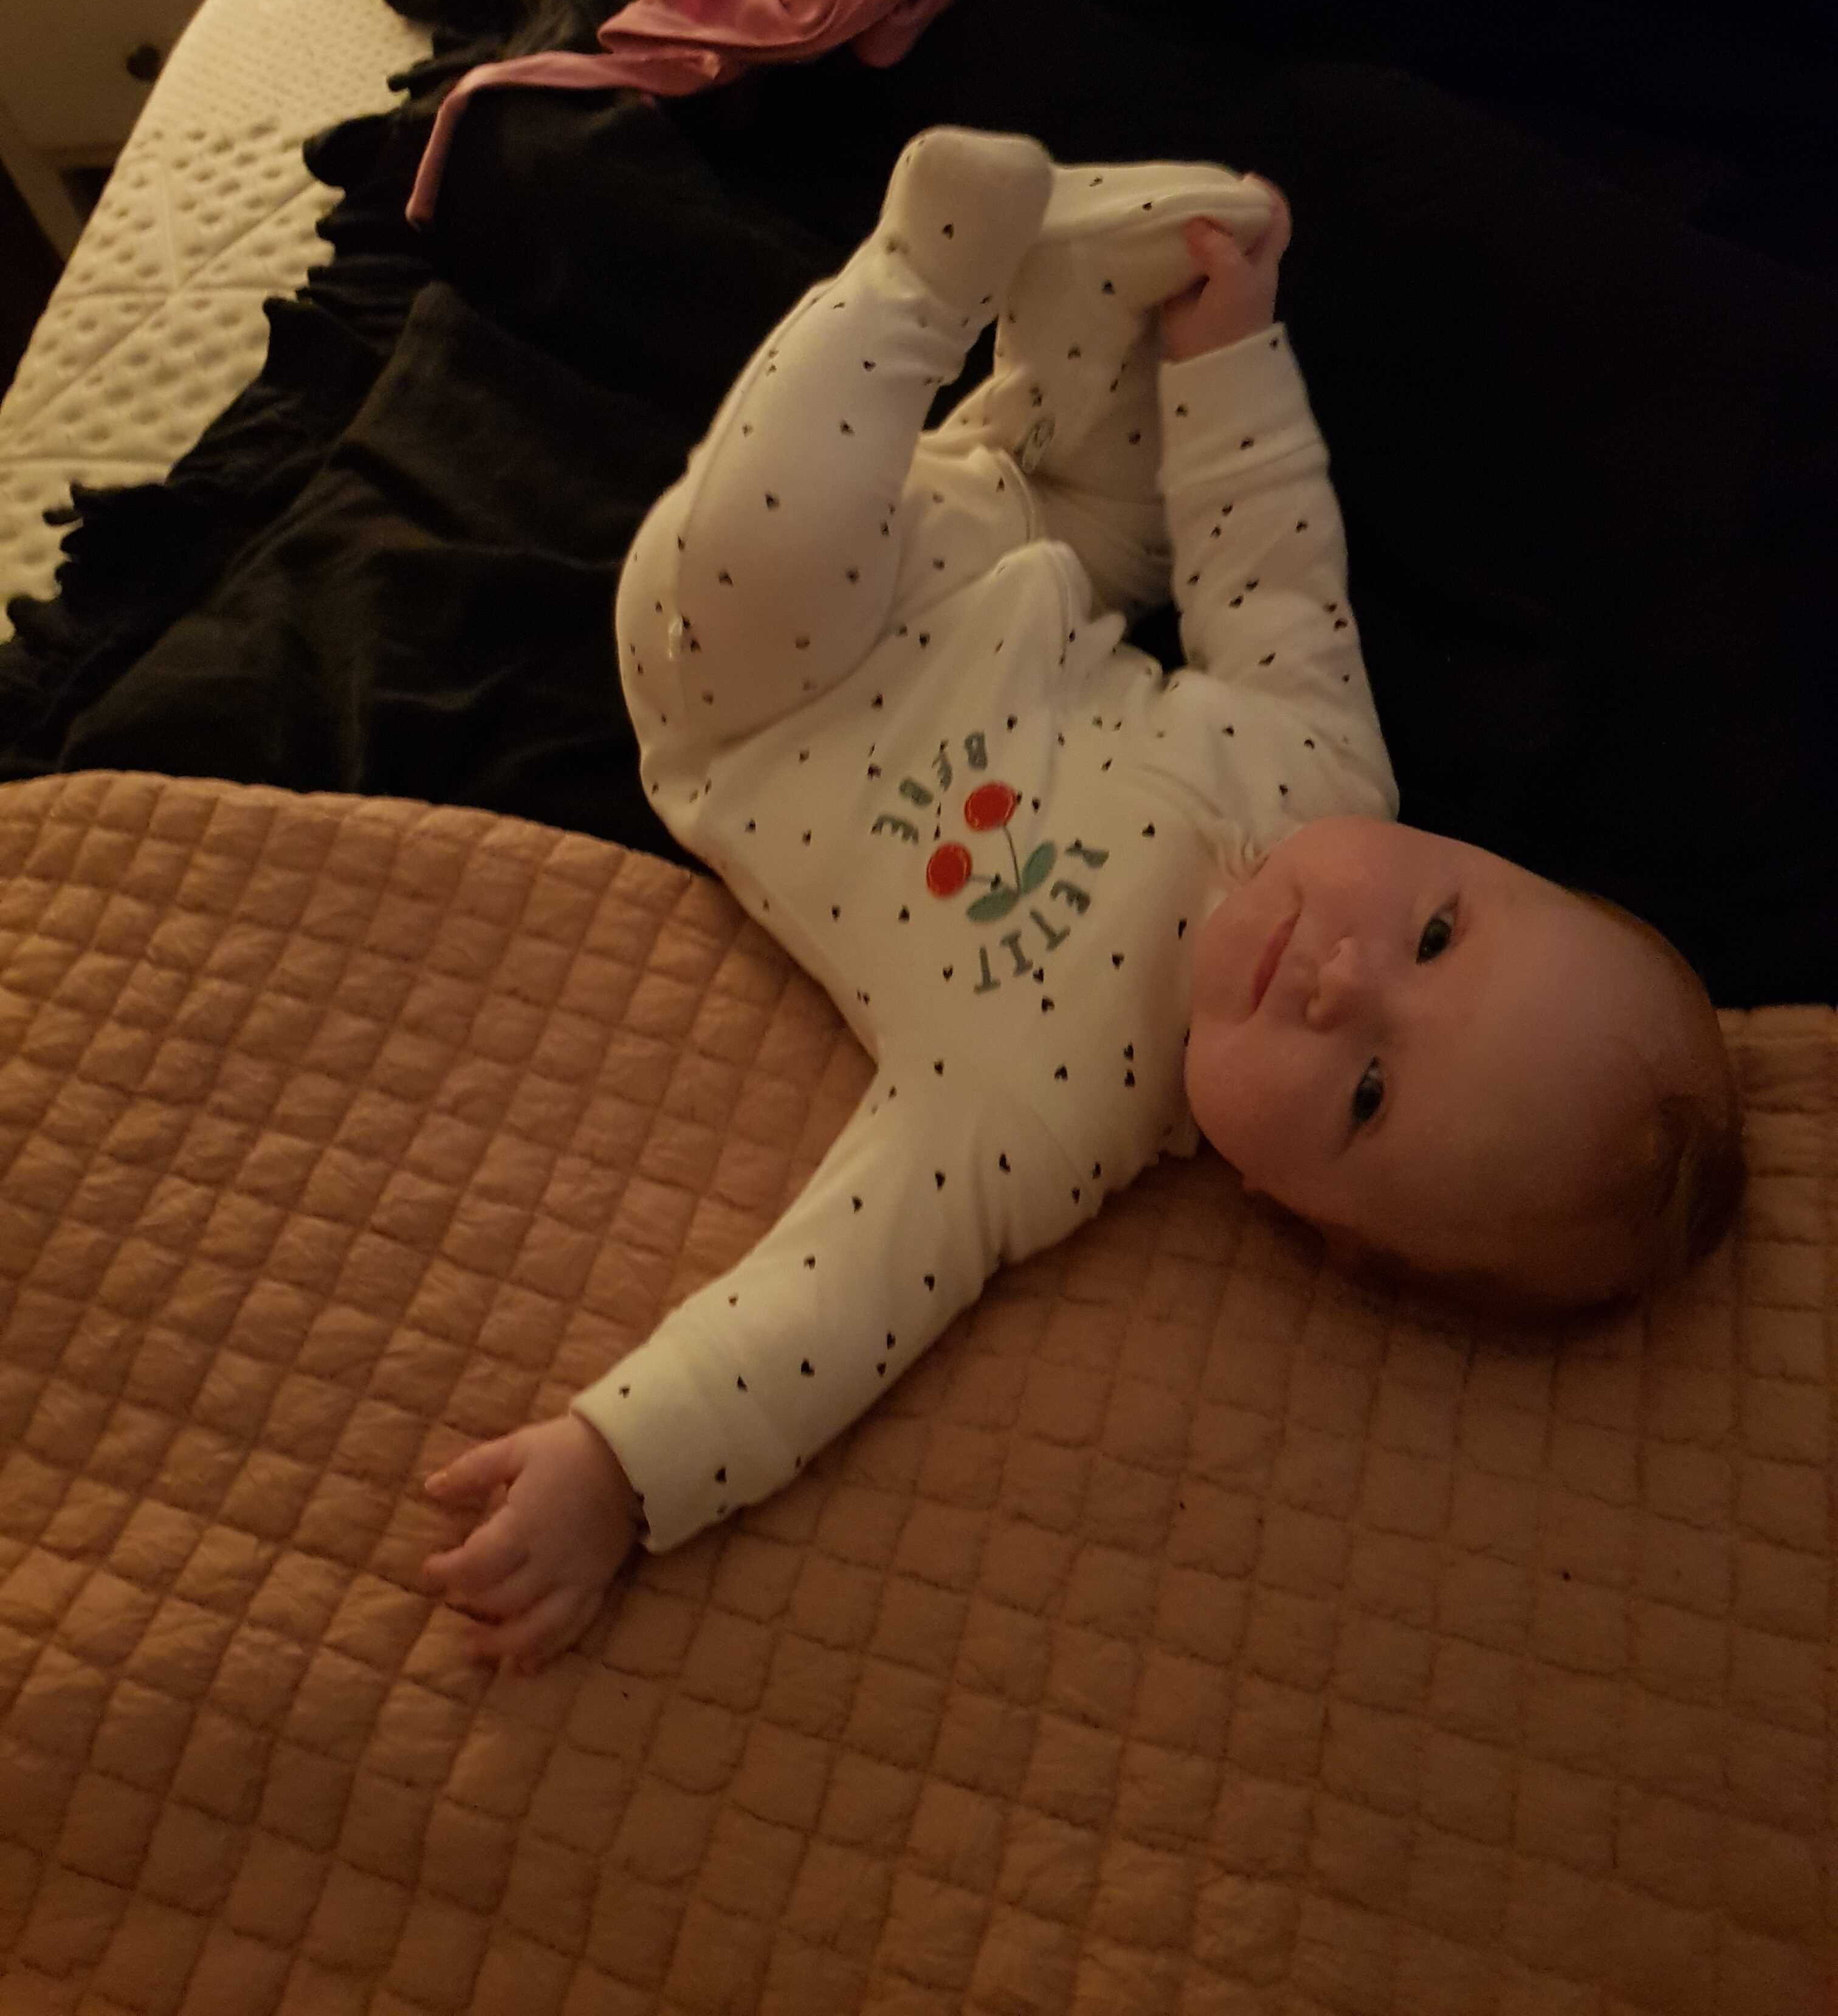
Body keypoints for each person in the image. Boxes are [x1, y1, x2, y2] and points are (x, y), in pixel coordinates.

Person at [421, 125, 1743, 1673]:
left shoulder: (1046, 1111)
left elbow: (841, 1292)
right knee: (1119, 503)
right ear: (1476, 858)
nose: (1343, 977)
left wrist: (621, 1468)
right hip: (1016, 547)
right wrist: (1229, 353)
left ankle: (915, 279)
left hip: (768, 696)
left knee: (744, 554)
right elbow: (1268, 563)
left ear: (1294, 1212)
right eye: (1439, 932)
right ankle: (1068, 300)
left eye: (1370, 1092)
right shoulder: (1328, 775)